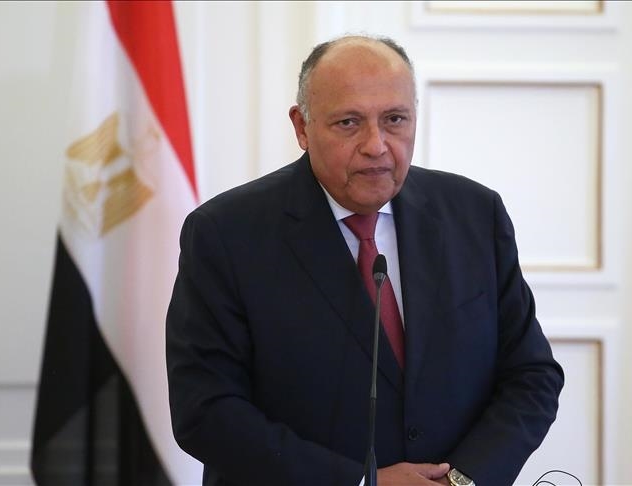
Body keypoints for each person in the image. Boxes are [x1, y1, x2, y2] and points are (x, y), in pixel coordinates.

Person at [166, 35, 564, 486]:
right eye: (349, 123)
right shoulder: (225, 234)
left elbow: (531, 375)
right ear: (302, 127)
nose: (376, 145)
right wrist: (360, 482)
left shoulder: (475, 214)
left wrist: (463, 480)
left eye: (394, 119)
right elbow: (205, 410)